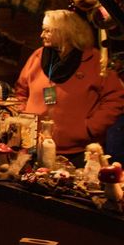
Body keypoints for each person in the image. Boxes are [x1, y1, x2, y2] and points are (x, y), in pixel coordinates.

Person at [14, 9, 124, 160]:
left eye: (47, 31)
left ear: (64, 33)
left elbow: (115, 98)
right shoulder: (38, 56)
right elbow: (21, 91)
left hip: (78, 152)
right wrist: (24, 118)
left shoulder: (96, 60)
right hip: (33, 147)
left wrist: (89, 129)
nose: (41, 35)